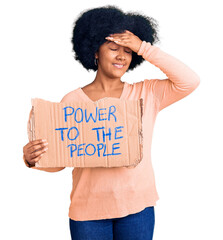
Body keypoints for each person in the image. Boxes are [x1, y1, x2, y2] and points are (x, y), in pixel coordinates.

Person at [23, 5, 200, 240]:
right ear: (95, 52)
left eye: (128, 51)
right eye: (113, 48)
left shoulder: (146, 94)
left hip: (138, 209)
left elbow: (190, 81)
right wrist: (32, 159)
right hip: (87, 214)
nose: (121, 56)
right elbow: (61, 159)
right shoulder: (72, 101)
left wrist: (143, 47)